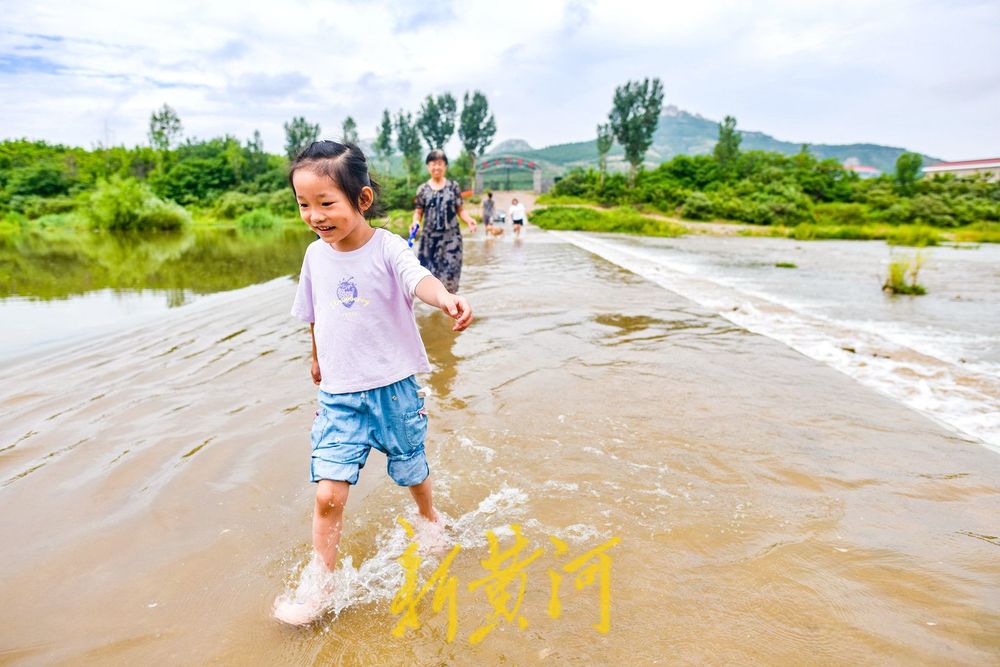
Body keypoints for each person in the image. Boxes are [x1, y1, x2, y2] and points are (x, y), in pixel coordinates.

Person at [275, 141, 473, 625]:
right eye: (304, 205)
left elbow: (418, 277)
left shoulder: (388, 246)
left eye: (326, 203)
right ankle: (319, 582)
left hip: (394, 390)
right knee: (327, 494)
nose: (315, 216)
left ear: (361, 199)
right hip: (339, 396)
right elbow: (315, 315)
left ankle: (428, 518)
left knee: (411, 468)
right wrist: (316, 357)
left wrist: (445, 297)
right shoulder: (314, 257)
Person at [410, 150, 477, 292]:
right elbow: (418, 212)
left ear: (445, 166)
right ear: (428, 166)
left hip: (451, 240)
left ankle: (449, 312)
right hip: (429, 241)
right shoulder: (422, 189)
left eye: (440, 164)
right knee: (428, 280)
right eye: (433, 164)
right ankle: (434, 310)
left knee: (450, 278)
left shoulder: (453, 187)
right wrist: (415, 223)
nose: (437, 167)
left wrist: (469, 220)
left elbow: (460, 209)